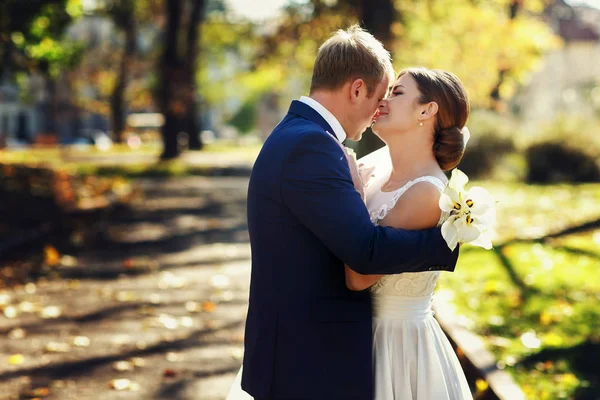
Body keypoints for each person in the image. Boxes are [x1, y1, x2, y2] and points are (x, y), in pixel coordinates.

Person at [227, 26, 458, 400]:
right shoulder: (313, 145)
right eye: (381, 95)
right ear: (356, 90)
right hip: (307, 358)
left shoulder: (301, 135)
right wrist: (444, 243)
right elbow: (364, 255)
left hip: (308, 353)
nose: (379, 109)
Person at [345, 67, 473, 399]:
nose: (382, 100)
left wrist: (352, 195)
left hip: (396, 348)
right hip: (351, 334)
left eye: (397, 93)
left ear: (426, 110)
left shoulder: (426, 193)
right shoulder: (372, 168)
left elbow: (359, 275)